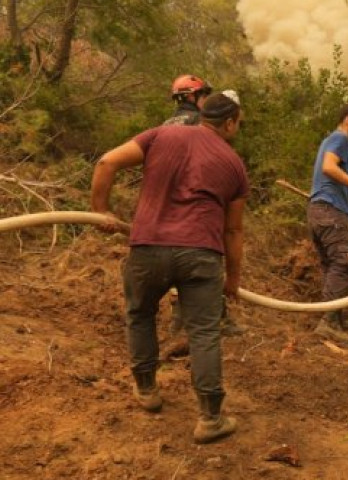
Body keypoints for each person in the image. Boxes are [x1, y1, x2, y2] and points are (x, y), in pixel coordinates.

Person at [90, 91, 248, 444]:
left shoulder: (160, 135)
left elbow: (106, 163)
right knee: (204, 333)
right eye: (239, 122)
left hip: (148, 247)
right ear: (229, 122)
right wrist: (233, 280)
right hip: (202, 255)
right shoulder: (234, 163)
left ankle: (147, 390)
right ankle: (210, 419)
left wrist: (101, 210)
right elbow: (233, 230)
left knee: (140, 314)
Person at [162, 75, 246, 338]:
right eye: (203, 95)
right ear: (191, 96)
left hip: (166, 205)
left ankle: (179, 318)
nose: (207, 100)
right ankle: (216, 318)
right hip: (197, 203)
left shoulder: (166, 124)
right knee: (206, 258)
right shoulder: (199, 124)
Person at [308, 103, 348, 344]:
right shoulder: (340, 139)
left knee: (331, 265)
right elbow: (329, 167)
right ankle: (329, 322)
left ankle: (333, 316)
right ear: (347, 120)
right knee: (344, 262)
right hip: (330, 211)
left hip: (317, 212)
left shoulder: (330, 140)